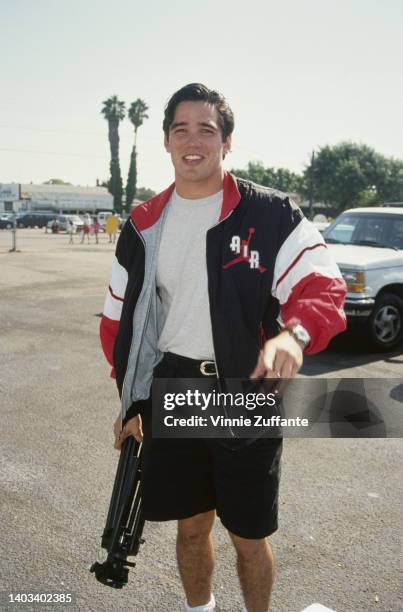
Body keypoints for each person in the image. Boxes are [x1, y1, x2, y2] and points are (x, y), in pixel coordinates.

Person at [100, 83, 347, 612]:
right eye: (180, 129)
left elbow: (323, 285)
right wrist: (131, 403)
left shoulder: (271, 214)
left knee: (249, 537)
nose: (193, 140)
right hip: (176, 388)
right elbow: (120, 325)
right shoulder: (143, 226)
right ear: (167, 141)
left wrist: (295, 333)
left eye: (206, 129)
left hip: (244, 391)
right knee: (190, 529)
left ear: (226, 142)